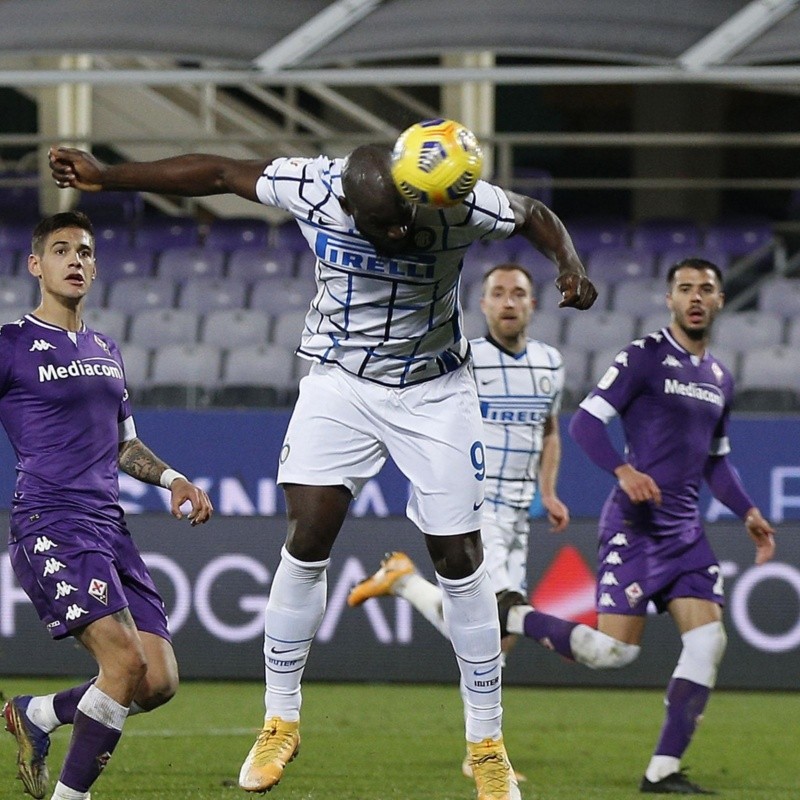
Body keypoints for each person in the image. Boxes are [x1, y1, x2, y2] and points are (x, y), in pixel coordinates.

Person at [49, 132, 598, 800]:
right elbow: (220, 171)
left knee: (460, 558)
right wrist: (111, 176)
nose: (394, 232)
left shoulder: (458, 200)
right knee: (308, 534)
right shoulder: (312, 185)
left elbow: (534, 213)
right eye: (377, 225)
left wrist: (568, 262)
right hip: (341, 381)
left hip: (435, 388)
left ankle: (487, 746)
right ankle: (280, 719)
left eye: (401, 219)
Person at [497, 258, 775, 795]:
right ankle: (516, 615)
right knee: (613, 653)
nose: (695, 297)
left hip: (686, 535)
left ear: (719, 301)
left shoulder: (720, 377)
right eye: (685, 288)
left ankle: (662, 771)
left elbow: (716, 461)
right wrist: (622, 471)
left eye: (706, 289)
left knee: (708, 641)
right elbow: (584, 422)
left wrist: (748, 512)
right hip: (637, 530)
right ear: (669, 300)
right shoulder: (644, 358)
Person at [1, 211, 214, 800]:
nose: (76, 260)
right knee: (123, 665)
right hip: (51, 520)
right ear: (36, 265)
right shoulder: (11, 345)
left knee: (157, 680)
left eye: (86, 252)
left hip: (108, 525)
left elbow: (124, 443)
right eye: (62, 250)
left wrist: (171, 478)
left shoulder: (105, 348)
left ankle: (37, 714)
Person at [347, 262, 569, 780]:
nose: (509, 301)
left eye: (519, 293)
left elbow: (551, 429)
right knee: (496, 620)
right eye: (498, 293)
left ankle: (405, 584)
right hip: (476, 507)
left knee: (496, 634)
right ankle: (483, 751)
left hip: (519, 512)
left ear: (533, 304)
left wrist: (549, 490)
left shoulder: (550, 364)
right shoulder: (462, 359)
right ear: (484, 304)